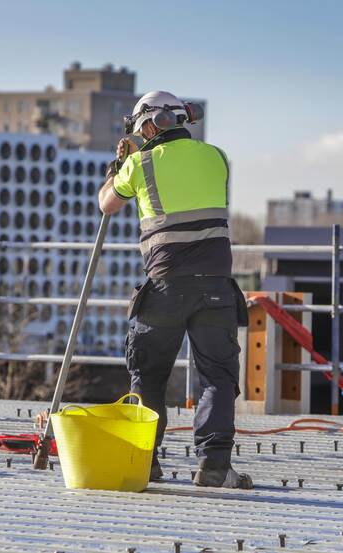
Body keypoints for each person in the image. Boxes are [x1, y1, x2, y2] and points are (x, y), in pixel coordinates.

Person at [98, 90, 252, 489]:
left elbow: (107, 205)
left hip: (166, 287)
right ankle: (213, 466)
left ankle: (144, 462)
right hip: (216, 287)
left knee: (148, 377)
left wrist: (118, 164)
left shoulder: (139, 163)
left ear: (149, 124)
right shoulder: (216, 157)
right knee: (217, 378)